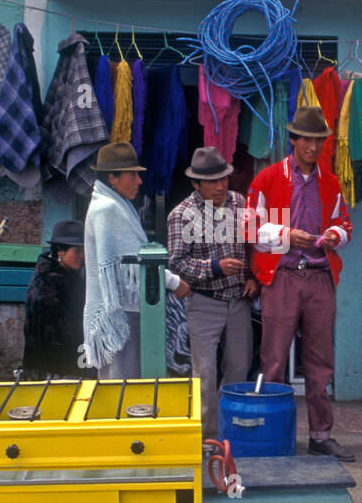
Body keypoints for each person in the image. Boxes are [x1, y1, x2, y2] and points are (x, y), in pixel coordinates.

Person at [246, 104, 354, 461]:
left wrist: (335, 235)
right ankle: (275, 435)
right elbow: (250, 229)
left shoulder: (331, 182)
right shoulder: (269, 179)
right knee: (274, 359)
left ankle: (321, 436)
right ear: (292, 140)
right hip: (282, 277)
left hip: (321, 276)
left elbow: (344, 223)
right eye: (305, 140)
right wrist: (287, 235)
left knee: (321, 361)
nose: (312, 147)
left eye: (318, 141)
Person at [167, 146, 258, 440]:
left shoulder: (240, 202)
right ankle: (206, 438)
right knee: (203, 373)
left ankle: (230, 432)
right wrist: (215, 267)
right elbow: (177, 263)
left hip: (239, 300)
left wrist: (253, 276)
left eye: (224, 178)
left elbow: (254, 245)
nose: (220, 186)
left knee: (239, 367)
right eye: (212, 181)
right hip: (204, 301)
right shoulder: (180, 215)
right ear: (196, 184)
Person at [83, 142, 189, 379]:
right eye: (132, 175)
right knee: (123, 384)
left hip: (119, 309)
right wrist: (174, 282)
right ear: (113, 178)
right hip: (121, 312)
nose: (139, 182)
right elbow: (138, 262)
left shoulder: (113, 204)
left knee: (117, 382)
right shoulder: (107, 208)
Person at [21, 220, 92, 380]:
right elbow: (62, 332)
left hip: (70, 360)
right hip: (52, 369)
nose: (82, 256)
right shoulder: (46, 285)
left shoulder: (67, 273)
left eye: (84, 251)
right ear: (60, 251)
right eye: (77, 251)